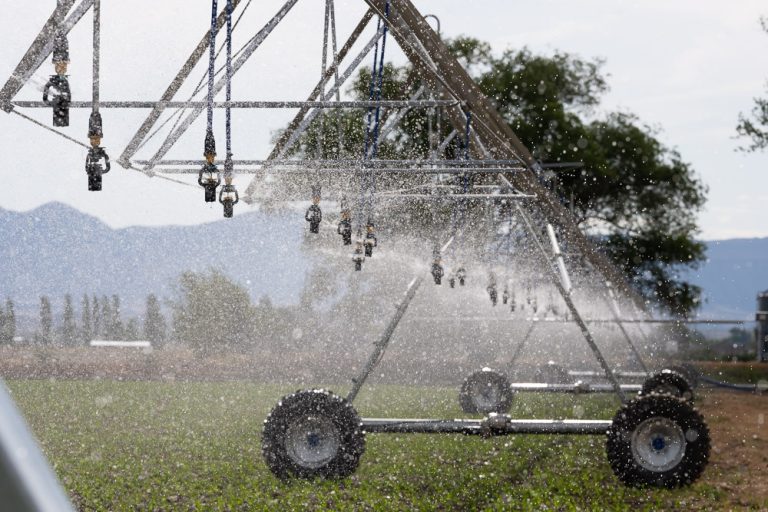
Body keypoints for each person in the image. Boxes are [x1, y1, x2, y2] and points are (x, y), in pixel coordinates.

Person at [85, 113, 110, 191]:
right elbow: (107, 166)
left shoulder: (90, 155)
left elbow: (107, 167)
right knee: (95, 128)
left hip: (95, 132)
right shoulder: (93, 154)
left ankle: (95, 122)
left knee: (95, 129)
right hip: (96, 132)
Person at [198, 132, 220, 203]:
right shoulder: (211, 168)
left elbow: (200, 181)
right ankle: (210, 134)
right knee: (210, 141)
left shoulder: (208, 168)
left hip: (208, 146)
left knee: (208, 141)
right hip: (209, 146)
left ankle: (209, 134)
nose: (211, 158)